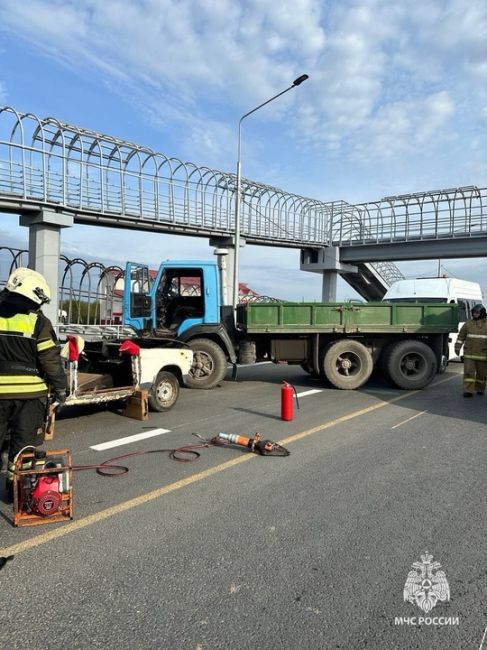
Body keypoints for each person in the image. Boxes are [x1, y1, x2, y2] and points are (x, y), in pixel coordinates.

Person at [0, 268, 67, 502]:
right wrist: (61, 389)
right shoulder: (38, 322)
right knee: (23, 447)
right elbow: (50, 359)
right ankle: (15, 491)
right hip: (30, 397)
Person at [454, 303, 487, 397]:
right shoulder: (468, 324)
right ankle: (468, 390)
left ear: (482, 313)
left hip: (483, 355)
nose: (475, 314)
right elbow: (461, 337)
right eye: (473, 312)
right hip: (469, 354)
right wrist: (457, 347)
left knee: (482, 375)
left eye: (477, 312)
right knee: (468, 373)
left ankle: (480, 388)